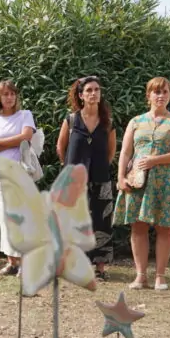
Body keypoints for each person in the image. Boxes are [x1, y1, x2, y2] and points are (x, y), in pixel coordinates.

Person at [113, 77, 170, 291]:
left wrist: (154, 160)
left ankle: (160, 276)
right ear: (148, 95)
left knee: (164, 227)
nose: (161, 96)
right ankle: (140, 276)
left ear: (169, 95)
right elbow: (126, 152)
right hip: (137, 180)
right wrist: (121, 178)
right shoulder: (136, 121)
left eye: (165, 92)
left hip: (166, 180)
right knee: (138, 227)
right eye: (156, 92)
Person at [56, 76, 116, 281]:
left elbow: (111, 151)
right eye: (89, 90)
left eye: (96, 90)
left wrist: (100, 168)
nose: (93, 93)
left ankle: (100, 268)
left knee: (101, 222)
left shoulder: (108, 122)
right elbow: (61, 147)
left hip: (101, 179)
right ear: (81, 95)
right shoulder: (71, 119)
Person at [0, 80, 36, 276]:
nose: (9, 97)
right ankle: (12, 262)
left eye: (12, 93)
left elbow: (26, 137)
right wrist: (6, 143)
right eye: (5, 94)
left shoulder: (25, 115)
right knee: (4, 218)